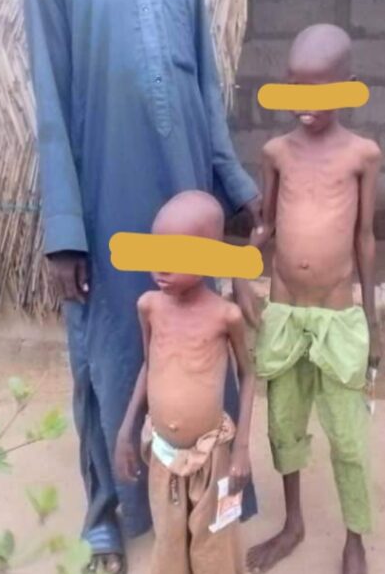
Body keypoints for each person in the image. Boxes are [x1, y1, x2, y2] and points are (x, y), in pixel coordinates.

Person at [23, 0, 260, 570]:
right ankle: (107, 514)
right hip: (106, 192)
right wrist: (64, 228)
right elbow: (51, 104)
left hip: (187, 187)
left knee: (200, 340)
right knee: (110, 351)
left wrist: (231, 181)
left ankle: (213, 497)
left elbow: (203, 80)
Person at [245, 25, 382, 574]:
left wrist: (372, 318)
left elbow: (365, 237)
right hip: (284, 310)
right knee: (284, 425)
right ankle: (293, 522)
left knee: (348, 435)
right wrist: (247, 261)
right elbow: (268, 225)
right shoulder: (276, 152)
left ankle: (355, 536)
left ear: (348, 87)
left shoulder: (362, 155)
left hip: (335, 313)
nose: (306, 104)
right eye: (296, 88)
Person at [113, 191, 255, 574]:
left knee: (214, 546)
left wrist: (242, 448)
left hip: (212, 455)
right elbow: (149, 365)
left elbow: (249, 372)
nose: (160, 267)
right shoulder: (150, 307)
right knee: (170, 543)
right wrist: (126, 432)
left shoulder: (225, 317)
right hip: (162, 453)